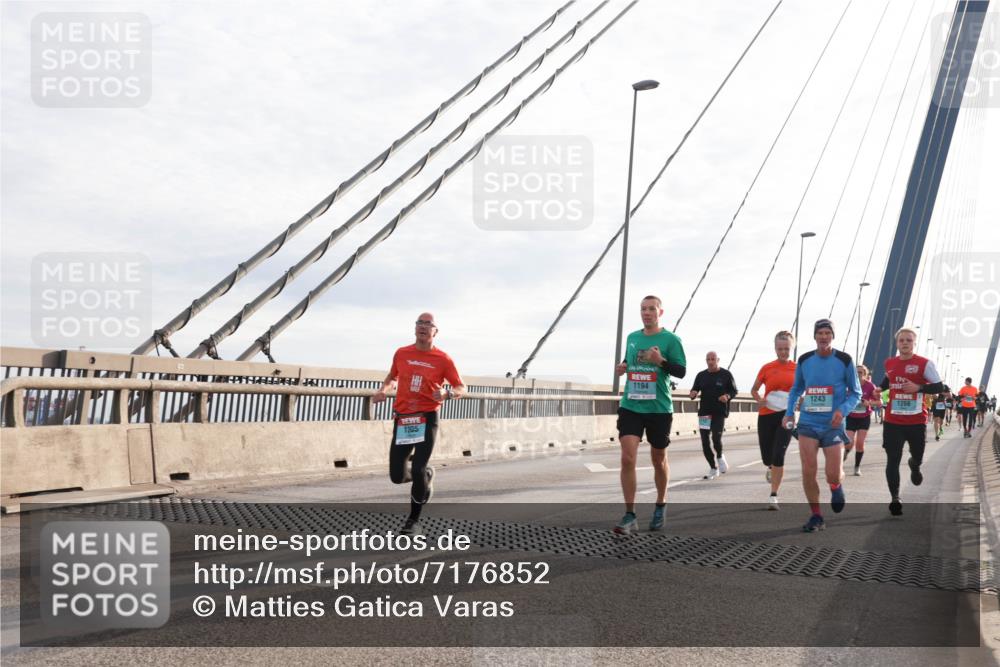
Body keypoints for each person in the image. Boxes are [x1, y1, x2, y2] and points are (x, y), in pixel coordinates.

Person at [372, 312, 465, 535]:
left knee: (418, 465)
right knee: (397, 475)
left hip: (427, 417)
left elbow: (462, 387)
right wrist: (383, 390)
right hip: (404, 418)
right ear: (415, 328)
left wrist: (447, 393)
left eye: (428, 324)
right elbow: (391, 377)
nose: (423, 326)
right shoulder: (402, 353)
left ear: (435, 331)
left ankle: (414, 522)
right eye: (420, 323)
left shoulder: (443, 359)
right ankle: (425, 477)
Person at [614, 295, 687, 534]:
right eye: (643, 309)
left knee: (658, 459)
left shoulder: (671, 339)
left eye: (651, 309)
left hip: (658, 408)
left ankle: (661, 502)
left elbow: (681, 371)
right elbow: (628, 360)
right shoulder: (632, 337)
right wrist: (622, 367)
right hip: (631, 405)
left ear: (660, 312)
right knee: (628, 458)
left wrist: (661, 360)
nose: (647, 313)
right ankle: (629, 514)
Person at [783, 319, 861, 532]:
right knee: (808, 470)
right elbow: (796, 389)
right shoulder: (805, 359)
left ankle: (836, 486)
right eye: (820, 333)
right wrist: (790, 413)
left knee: (832, 473)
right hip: (808, 422)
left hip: (833, 424)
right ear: (815, 336)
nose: (824, 337)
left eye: (828, 333)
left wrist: (841, 410)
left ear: (833, 336)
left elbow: (856, 393)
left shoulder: (845, 360)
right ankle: (816, 515)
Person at [877, 327, 945, 517]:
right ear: (897, 343)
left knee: (918, 456)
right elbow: (887, 379)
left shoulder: (924, 364)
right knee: (892, 459)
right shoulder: (889, 362)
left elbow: (939, 386)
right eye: (901, 340)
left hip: (916, 422)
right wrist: (878, 388)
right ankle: (895, 498)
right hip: (893, 421)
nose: (905, 343)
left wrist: (919, 387)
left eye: (909, 340)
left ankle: (914, 466)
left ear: (914, 343)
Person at [751, 331, 797, 509]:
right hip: (766, 414)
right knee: (767, 456)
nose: (783, 352)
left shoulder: (798, 368)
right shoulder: (767, 367)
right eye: (780, 349)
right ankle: (770, 466)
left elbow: (804, 389)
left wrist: (800, 399)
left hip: (787, 415)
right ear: (775, 348)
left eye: (787, 349)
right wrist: (758, 399)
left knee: (779, 454)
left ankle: (774, 495)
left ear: (792, 348)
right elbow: (754, 389)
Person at [690, 352, 738, 480]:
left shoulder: (726, 374)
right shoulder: (701, 375)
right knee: (705, 441)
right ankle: (713, 468)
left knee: (716, 437)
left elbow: (734, 391)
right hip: (705, 413)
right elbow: (695, 389)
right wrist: (693, 393)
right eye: (708, 359)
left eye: (713, 359)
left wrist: (727, 396)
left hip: (719, 412)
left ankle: (720, 456)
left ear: (718, 360)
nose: (710, 362)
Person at [844, 365, 878, 476]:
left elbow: (879, 402)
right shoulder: (848, 386)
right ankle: (845, 453)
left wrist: (869, 403)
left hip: (864, 417)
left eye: (861, 372)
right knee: (849, 443)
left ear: (865, 374)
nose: (859, 374)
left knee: (860, 444)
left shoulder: (870, 386)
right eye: (856, 372)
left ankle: (857, 467)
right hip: (851, 417)